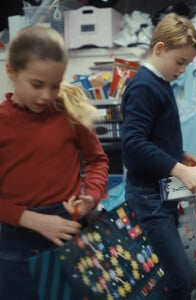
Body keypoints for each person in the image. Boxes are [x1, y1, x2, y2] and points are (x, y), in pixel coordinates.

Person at [0, 25, 109, 300]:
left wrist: (91, 196)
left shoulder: (69, 112)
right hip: (16, 243)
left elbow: (97, 160)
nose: (47, 96)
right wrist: (34, 220)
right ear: (11, 72)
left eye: (55, 85)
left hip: (71, 232)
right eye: (37, 85)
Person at [121, 13, 196, 300]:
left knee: (172, 276)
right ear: (159, 49)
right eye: (180, 61)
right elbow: (133, 143)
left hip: (160, 194)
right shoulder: (144, 86)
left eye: (187, 63)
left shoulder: (160, 82)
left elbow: (152, 137)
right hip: (148, 198)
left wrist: (180, 156)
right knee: (179, 281)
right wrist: (179, 169)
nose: (183, 69)